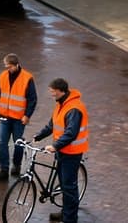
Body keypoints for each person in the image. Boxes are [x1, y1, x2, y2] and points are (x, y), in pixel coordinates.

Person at [33, 78, 88, 223]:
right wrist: (38, 136)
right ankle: (65, 213)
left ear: (61, 91)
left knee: (69, 187)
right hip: (62, 150)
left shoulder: (74, 109)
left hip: (72, 152)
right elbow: (52, 125)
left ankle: (70, 219)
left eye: (53, 92)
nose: (51, 95)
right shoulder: (60, 104)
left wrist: (55, 146)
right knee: (64, 184)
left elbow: (71, 133)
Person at [0, 53, 37, 181]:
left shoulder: (27, 78)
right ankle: (4, 169)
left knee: (18, 143)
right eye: (6, 66)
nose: (8, 69)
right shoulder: (3, 76)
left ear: (16, 65)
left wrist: (27, 115)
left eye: (10, 67)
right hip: (4, 117)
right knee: (2, 142)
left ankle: (17, 165)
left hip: (19, 119)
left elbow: (32, 99)